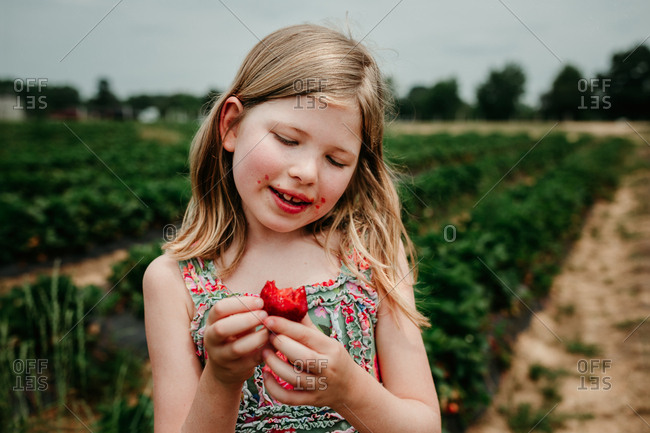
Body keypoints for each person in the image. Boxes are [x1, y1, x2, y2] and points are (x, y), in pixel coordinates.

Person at [143, 23, 441, 433]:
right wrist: (222, 378)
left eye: (336, 160)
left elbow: (424, 426)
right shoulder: (174, 282)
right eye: (287, 139)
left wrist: (350, 390)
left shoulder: (372, 260)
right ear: (231, 126)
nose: (306, 173)